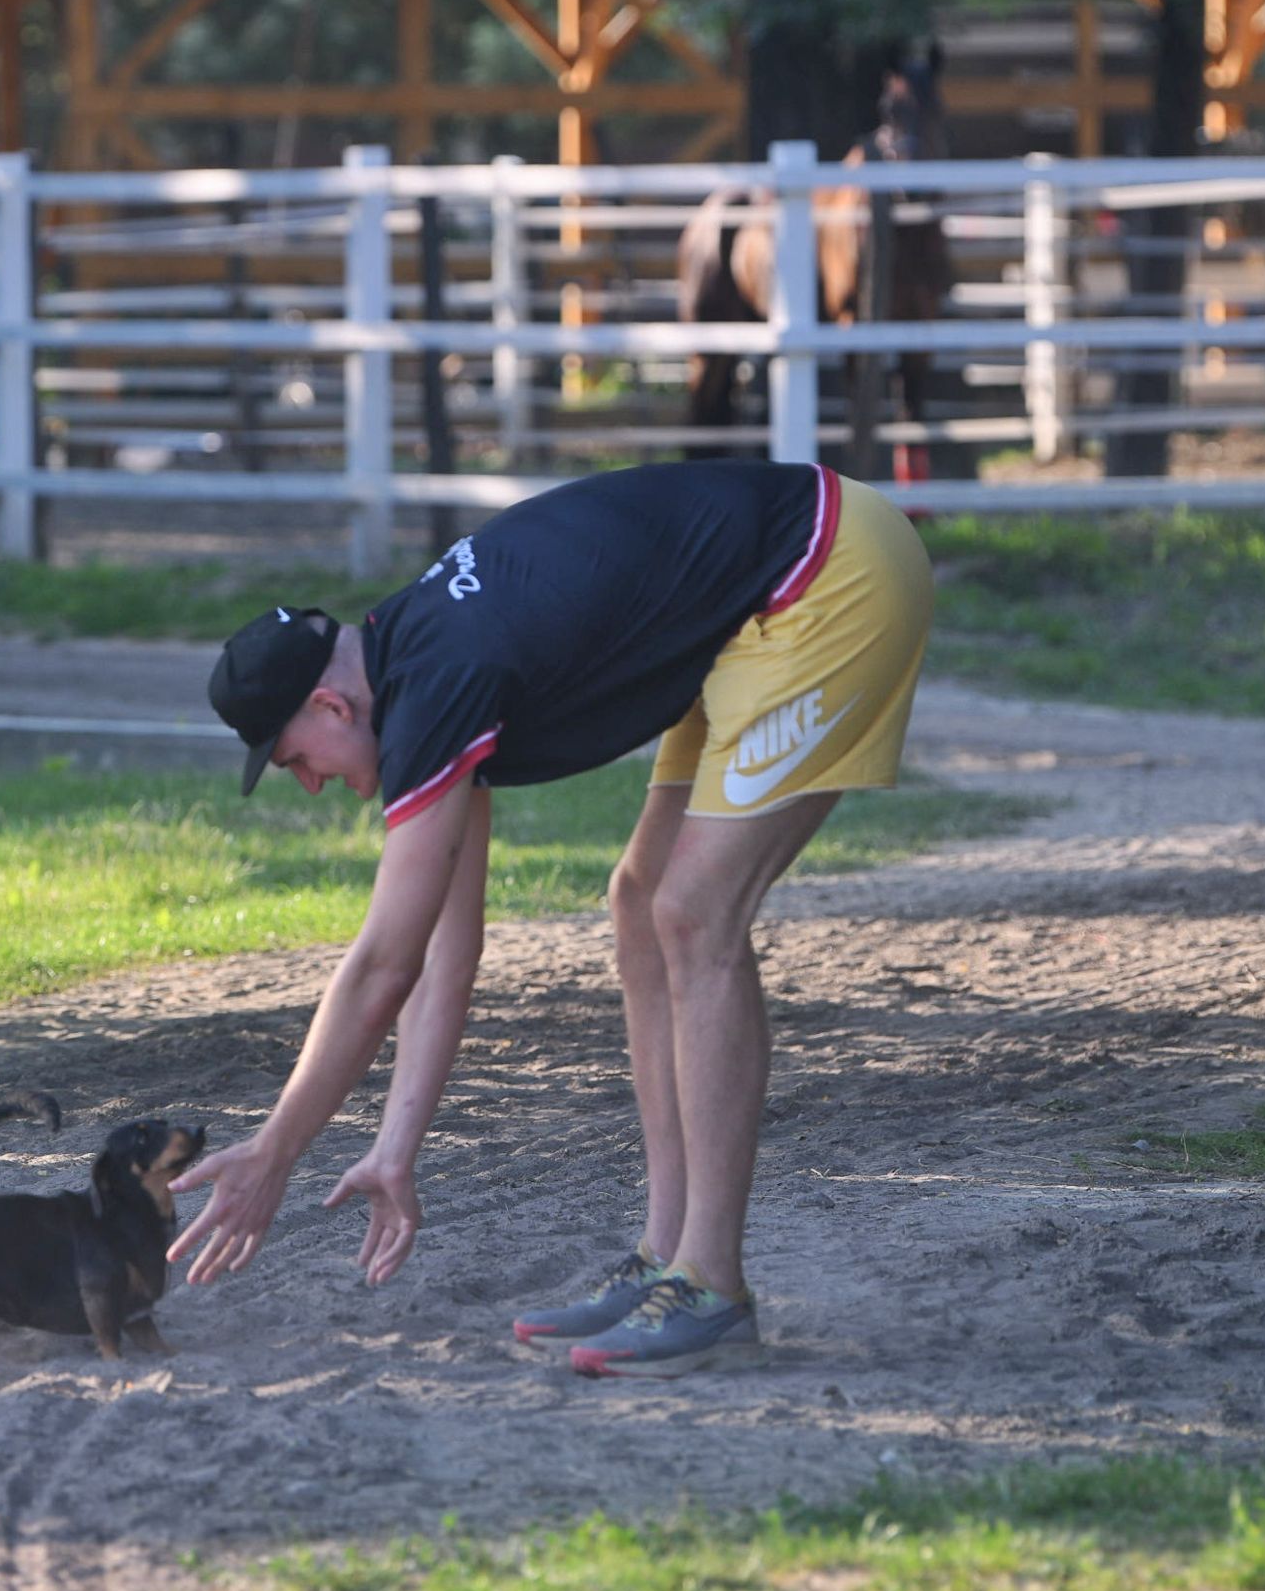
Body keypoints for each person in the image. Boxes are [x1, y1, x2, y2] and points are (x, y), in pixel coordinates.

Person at [178, 458, 932, 1376]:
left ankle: (713, 1288)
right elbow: (438, 951)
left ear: (331, 704)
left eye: (294, 756)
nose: (308, 782)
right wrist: (393, 1147)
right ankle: (669, 1259)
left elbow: (379, 966)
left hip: (825, 570)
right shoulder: (415, 663)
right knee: (639, 900)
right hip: (752, 604)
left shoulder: (437, 678)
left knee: (694, 913)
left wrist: (275, 1150)